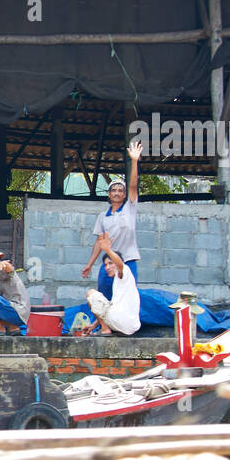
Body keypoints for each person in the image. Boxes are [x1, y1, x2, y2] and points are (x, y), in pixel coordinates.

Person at [82, 140, 143, 300]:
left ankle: (124, 325)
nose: (117, 193)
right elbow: (98, 243)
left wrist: (134, 161)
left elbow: (133, 186)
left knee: (127, 297)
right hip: (109, 263)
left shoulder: (130, 208)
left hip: (127, 261)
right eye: (113, 190)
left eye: (120, 191)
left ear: (124, 195)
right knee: (103, 298)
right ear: (109, 194)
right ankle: (104, 326)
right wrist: (89, 264)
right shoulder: (103, 216)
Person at [77, 233, 141, 337]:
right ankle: (105, 327)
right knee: (106, 304)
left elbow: (120, 265)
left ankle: (105, 329)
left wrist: (108, 250)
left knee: (91, 294)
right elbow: (106, 309)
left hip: (123, 321)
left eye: (110, 263)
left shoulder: (124, 272)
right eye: (106, 265)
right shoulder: (118, 283)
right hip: (127, 325)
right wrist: (93, 325)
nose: (107, 267)